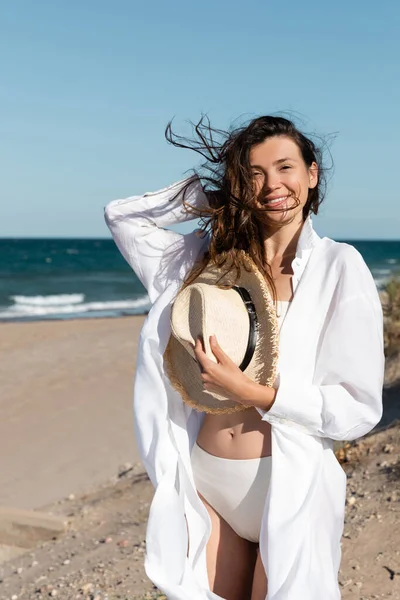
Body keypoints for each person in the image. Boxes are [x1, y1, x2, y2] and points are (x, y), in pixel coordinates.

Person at [104, 115, 385, 600]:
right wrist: (216, 198)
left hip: (289, 485)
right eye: (253, 173)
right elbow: (125, 217)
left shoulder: (340, 267)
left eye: (284, 167)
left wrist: (253, 394)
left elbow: (358, 408)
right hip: (207, 479)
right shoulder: (207, 259)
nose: (272, 184)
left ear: (312, 174)